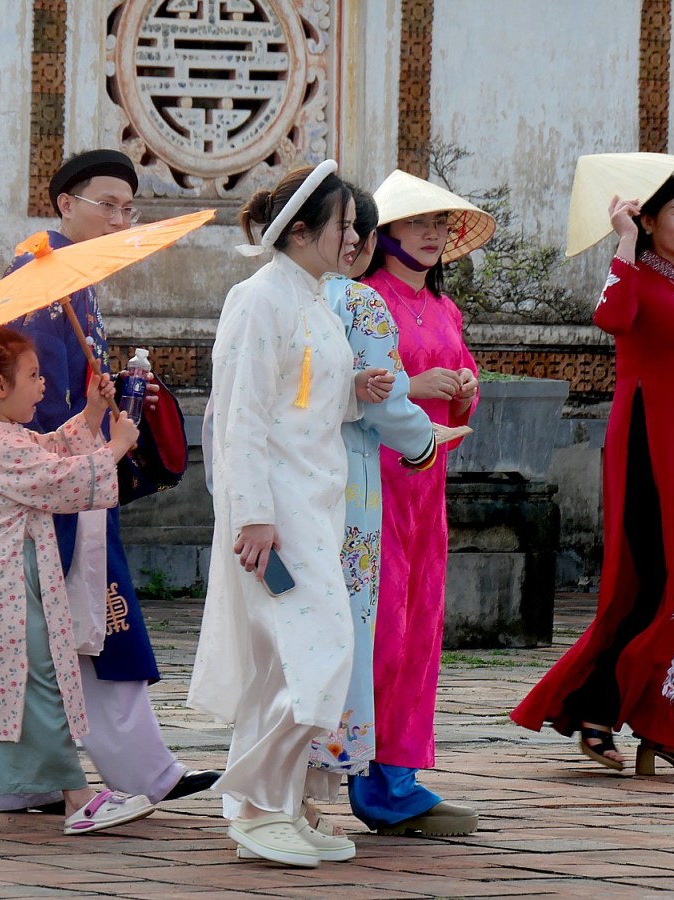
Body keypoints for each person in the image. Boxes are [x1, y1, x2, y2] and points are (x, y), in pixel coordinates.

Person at [512, 172, 674, 778]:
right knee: (663, 585)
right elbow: (611, 317)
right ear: (648, 221)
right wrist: (622, 240)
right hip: (648, 445)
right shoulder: (637, 278)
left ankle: (665, 727)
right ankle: (607, 710)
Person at [0, 149, 217, 815]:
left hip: (75, 473)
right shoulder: (45, 282)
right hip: (61, 482)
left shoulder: (75, 279)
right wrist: (83, 444)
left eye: (128, 208)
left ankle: (35, 780)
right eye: (107, 205)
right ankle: (138, 773)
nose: (120, 219)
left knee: (57, 631)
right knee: (91, 622)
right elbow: (31, 400)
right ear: (66, 204)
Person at [0, 326, 156, 836]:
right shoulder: (0, 444)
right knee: (36, 681)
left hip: (4, 580)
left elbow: (51, 451)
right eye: (34, 375)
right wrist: (115, 446)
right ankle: (78, 798)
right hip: (8, 583)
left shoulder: (2, 437)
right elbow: (60, 478)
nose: (43, 384)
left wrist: (92, 413)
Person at [188, 159, 365, 867]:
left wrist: (357, 389)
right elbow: (242, 415)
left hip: (316, 506)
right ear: (300, 231)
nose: (354, 239)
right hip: (276, 518)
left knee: (286, 663)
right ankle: (257, 805)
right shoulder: (259, 299)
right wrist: (253, 515)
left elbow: (306, 398)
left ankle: (277, 807)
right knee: (316, 654)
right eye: (343, 226)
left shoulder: (316, 300)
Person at [352, 169, 493, 835]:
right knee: (382, 627)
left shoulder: (445, 307)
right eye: (417, 222)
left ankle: (399, 775)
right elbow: (351, 387)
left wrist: (464, 385)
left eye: (440, 223)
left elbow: (465, 383)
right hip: (374, 481)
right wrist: (414, 383)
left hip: (427, 485)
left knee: (420, 627)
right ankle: (363, 770)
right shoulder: (363, 301)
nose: (432, 234)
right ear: (385, 233)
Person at [302, 184, 437, 835]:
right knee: (346, 633)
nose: (356, 240)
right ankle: (327, 775)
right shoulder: (360, 302)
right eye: (352, 228)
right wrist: (423, 443)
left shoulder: (282, 299)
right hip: (353, 487)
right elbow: (389, 407)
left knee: (295, 635)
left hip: (293, 485)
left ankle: (285, 789)